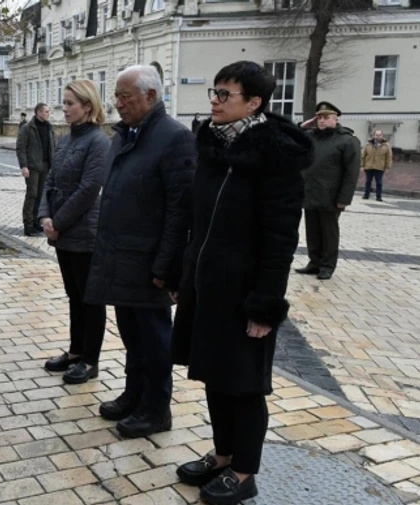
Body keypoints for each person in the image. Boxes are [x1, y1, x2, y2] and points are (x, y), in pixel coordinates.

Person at [172, 61, 313, 505]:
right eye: (213, 91)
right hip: (208, 286)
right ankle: (223, 455)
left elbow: (280, 238)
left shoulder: (275, 157)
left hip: (245, 294)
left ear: (254, 102)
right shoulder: (214, 146)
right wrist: (183, 273)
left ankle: (244, 472)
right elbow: (198, 220)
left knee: (245, 384)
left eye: (224, 94)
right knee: (216, 376)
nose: (213, 100)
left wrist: (264, 305)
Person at [86, 65, 195, 438]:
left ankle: (156, 408)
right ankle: (134, 395)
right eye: (116, 95)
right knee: (132, 336)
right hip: (121, 257)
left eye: (124, 96)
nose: (117, 103)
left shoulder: (175, 138)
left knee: (154, 341)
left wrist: (166, 266)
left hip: (150, 264)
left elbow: (180, 212)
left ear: (150, 96)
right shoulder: (124, 135)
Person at [38, 80, 109, 385]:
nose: (63, 109)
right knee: (73, 296)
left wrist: (58, 222)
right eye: (63, 103)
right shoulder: (66, 139)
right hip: (63, 232)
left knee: (90, 299)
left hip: (84, 233)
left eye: (69, 103)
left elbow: (89, 189)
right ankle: (75, 352)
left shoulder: (98, 141)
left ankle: (90, 360)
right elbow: (51, 179)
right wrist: (44, 215)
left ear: (88, 106)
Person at [294, 101, 360, 280]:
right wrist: (302, 126)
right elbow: (291, 137)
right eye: (319, 118)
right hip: (310, 193)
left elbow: (351, 172)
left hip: (330, 197)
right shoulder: (311, 136)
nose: (322, 121)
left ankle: (327, 266)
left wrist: (344, 198)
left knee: (329, 233)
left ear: (335, 119)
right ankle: (314, 262)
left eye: (326, 117)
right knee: (312, 231)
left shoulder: (347, 140)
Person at [16, 103, 54, 237]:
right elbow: (21, 148)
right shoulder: (27, 128)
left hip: (46, 165)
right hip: (32, 166)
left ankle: (36, 222)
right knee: (31, 194)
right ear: (38, 112)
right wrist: (23, 166)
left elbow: (52, 147)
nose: (48, 114)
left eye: (49, 111)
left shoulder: (49, 128)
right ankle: (28, 224)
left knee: (41, 195)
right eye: (46, 111)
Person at [362, 130, 392, 202]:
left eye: (379, 135)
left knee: (379, 182)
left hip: (379, 166)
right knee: (368, 181)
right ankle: (366, 195)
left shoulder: (386, 145)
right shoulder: (368, 144)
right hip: (369, 166)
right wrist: (362, 165)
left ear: (382, 136)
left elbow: (389, 157)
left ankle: (379, 196)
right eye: (376, 135)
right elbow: (363, 155)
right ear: (374, 135)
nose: (378, 136)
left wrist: (388, 167)